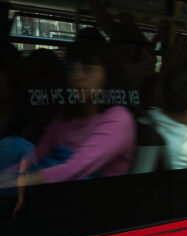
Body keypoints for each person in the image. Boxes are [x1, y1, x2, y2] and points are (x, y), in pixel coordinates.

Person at [18, 39, 136, 186]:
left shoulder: (119, 119)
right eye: (72, 69)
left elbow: (74, 170)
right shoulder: (64, 119)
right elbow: (35, 157)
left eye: (88, 69)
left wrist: (12, 181)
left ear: (108, 74)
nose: (77, 77)